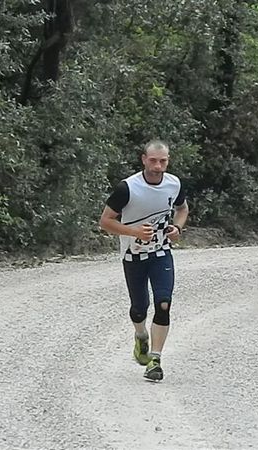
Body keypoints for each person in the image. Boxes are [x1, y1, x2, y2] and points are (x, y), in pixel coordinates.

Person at [99, 140, 188, 381]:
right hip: (133, 254)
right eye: (153, 160)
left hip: (161, 252)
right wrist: (135, 232)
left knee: (164, 303)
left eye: (163, 161)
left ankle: (155, 360)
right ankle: (140, 336)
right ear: (143, 159)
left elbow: (182, 209)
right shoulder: (127, 188)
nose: (158, 166)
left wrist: (177, 228)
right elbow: (105, 221)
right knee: (139, 308)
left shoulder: (174, 183)